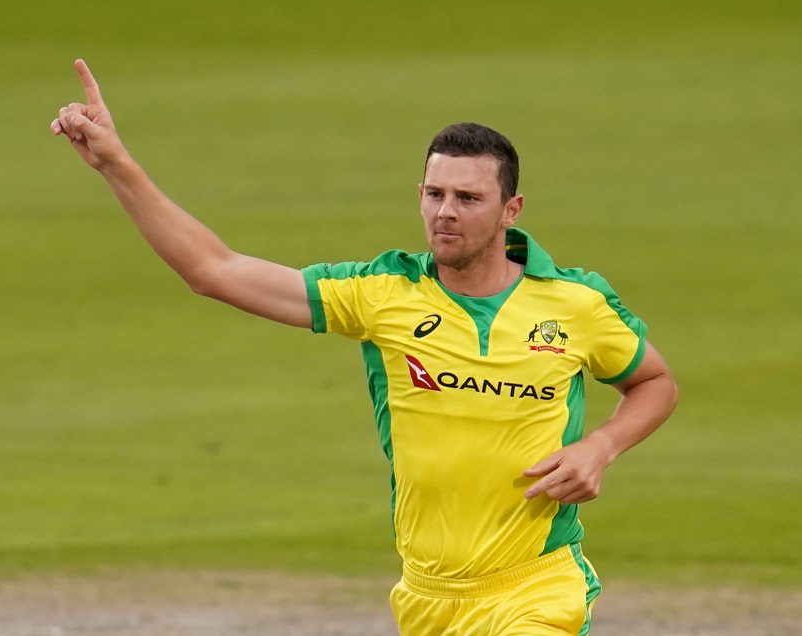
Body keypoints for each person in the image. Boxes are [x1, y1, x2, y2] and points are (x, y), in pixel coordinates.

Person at [52, 59, 678, 635]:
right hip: (427, 597)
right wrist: (115, 163)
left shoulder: (576, 303)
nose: (446, 213)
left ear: (511, 208)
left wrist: (602, 444)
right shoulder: (383, 294)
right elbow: (214, 271)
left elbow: (654, 382)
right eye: (434, 195)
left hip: (537, 586)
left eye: (468, 198)